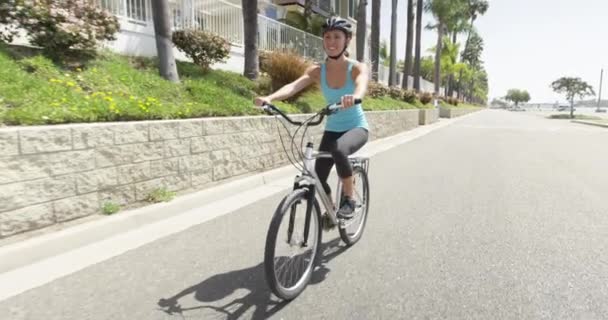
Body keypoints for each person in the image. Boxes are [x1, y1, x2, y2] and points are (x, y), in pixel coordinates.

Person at [254, 16, 370, 220]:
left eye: (337, 37)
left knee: (340, 150)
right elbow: (294, 86)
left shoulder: (356, 67)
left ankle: (349, 199)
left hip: (356, 127)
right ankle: (332, 210)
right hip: (332, 129)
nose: (331, 42)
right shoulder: (318, 71)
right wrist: (269, 98)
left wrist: (355, 97)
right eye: (327, 37)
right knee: (318, 175)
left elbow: (361, 84)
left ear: (347, 40)